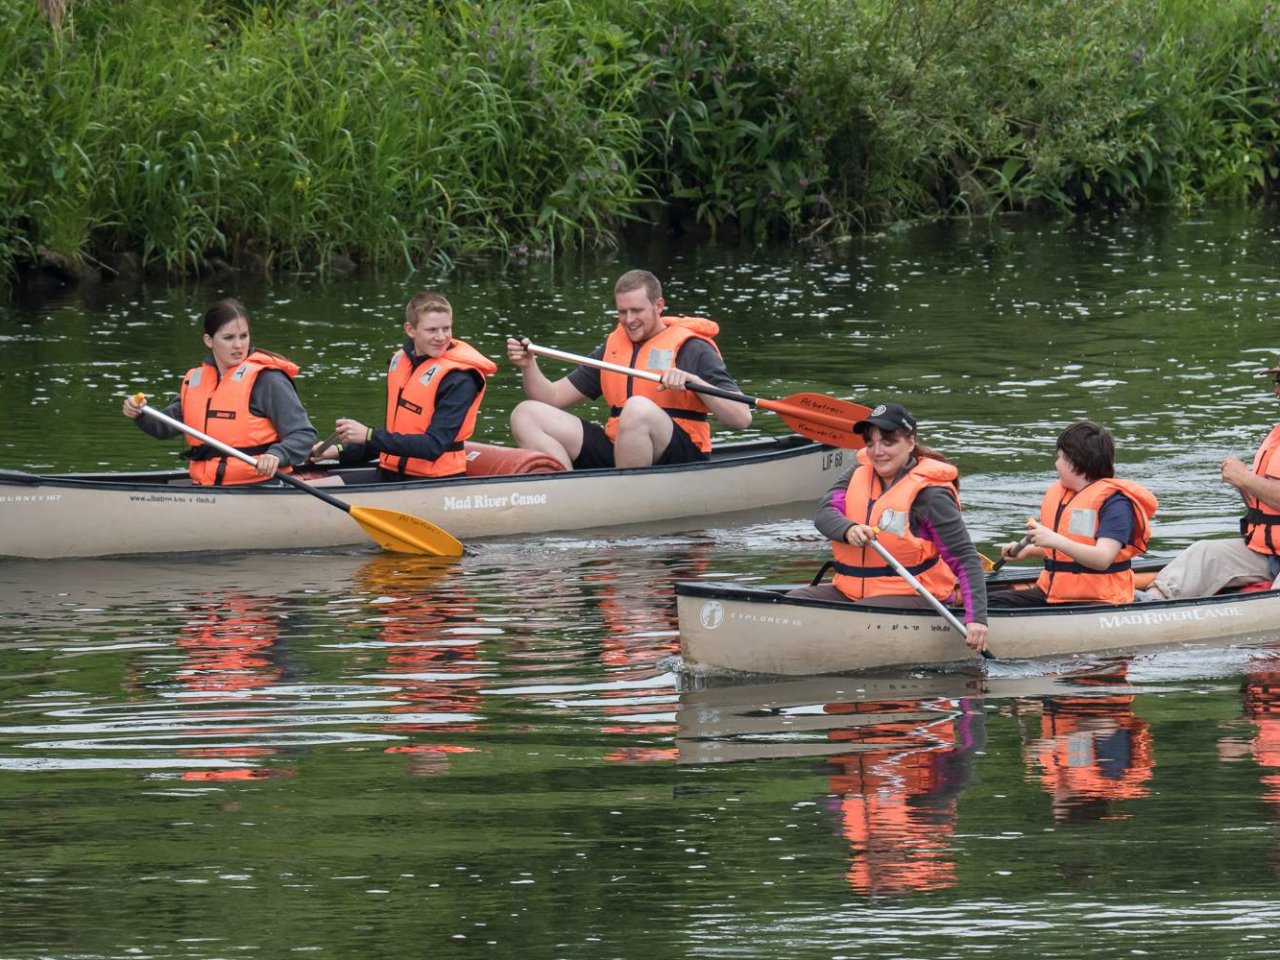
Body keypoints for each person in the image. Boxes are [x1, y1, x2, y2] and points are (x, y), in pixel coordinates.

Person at [786, 402, 989, 654]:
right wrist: (848, 528)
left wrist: (977, 619)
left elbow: (965, 559)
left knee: (858, 615)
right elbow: (825, 514)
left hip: (914, 594)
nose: (877, 451)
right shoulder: (857, 474)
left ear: (911, 442)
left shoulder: (931, 495)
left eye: (888, 442)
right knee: (791, 601)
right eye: (870, 443)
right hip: (851, 591)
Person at [505, 269, 752, 470]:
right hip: (619, 450)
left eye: (636, 311)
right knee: (526, 414)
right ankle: (565, 492)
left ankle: (625, 497)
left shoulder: (693, 349)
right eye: (622, 311)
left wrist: (693, 380)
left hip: (680, 455)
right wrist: (529, 366)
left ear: (659, 306)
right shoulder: (613, 348)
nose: (628, 319)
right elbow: (551, 397)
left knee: (637, 407)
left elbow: (742, 418)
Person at [122, 298, 316, 485]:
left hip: (261, 484)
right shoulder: (197, 381)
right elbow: (164, 427)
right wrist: (140, 413)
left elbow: (303, 435)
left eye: (243, 336)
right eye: (229, 338)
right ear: (209, 340)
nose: (238, 345)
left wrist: (276, 455)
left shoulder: (268, 380)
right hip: (207, 486)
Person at [311, 291, 497, 480]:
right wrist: (339, 451)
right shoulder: (403, 363)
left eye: (446, 328)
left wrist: (368, 435)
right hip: (392, 473)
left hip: (436, 480)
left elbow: (433, 446)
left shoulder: (459, 379)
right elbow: (395, 437)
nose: (441, 337)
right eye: (432, 330)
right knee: (318, 487)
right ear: (410, 330)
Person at [1139, 358, 1280, 600]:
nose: (1276, 390)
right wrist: (1243, 482)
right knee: (1204, 553)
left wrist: (1244, 478)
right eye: (1277, 381)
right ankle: (1147, 604)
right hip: (1270, 553)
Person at [989, 420, 1159, 606]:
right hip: (1054, 592)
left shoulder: (1116, 504)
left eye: (1060, 457)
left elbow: (1102, 558)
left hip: (1100, 599)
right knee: (986, 603)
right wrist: (1027, 551)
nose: (1056, 464)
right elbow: (1068, 549)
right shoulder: (1066, 495)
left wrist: (1054, 539)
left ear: (1075, 462)